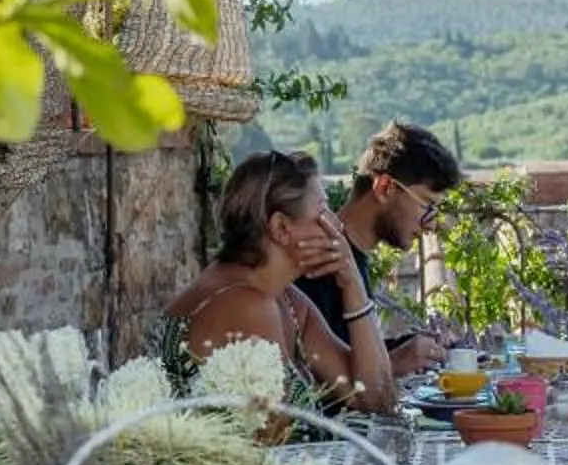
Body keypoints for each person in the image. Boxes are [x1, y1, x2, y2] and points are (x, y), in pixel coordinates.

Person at [166, 150, 398, 413]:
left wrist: (353, 283)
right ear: (281, 228)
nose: (336, 225)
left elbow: (376, 398)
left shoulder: (287, 299)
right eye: (323, 211)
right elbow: (277, 439)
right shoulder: (246, 305)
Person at [295, 121, 463, 378]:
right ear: (385, 188)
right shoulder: (320, 261)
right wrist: (394, 362)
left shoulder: (351, 256)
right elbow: (312, 380)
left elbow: (346, 349)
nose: (432, 223)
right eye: (426, 205)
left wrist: (406, 348)